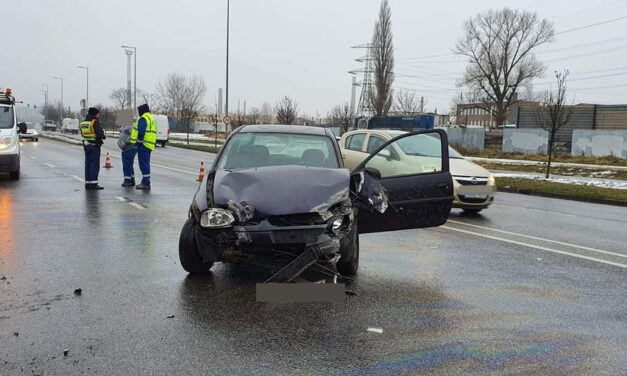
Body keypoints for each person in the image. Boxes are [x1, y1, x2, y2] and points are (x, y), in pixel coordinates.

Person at [130, 103, 157, 190]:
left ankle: (146, 183)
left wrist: (139, 141)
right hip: (149, 144)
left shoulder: (143, 118)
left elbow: (141, 131)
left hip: (143, 144)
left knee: (143, 164)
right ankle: (145, 181)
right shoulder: (151, 118)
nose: (138, 112)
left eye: (139, 111)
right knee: (146, 163)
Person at [80, 107, 106, 190]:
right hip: (94, 146)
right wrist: (102, 136)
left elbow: (82, 133)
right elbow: (101, 134)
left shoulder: (83, 123)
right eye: (98, 113)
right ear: (95, 114)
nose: (99, 115)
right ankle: (94, 184)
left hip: (86, 145)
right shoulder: (94, 122)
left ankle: (88, 183)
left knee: (87, 164)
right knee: (94, 165)